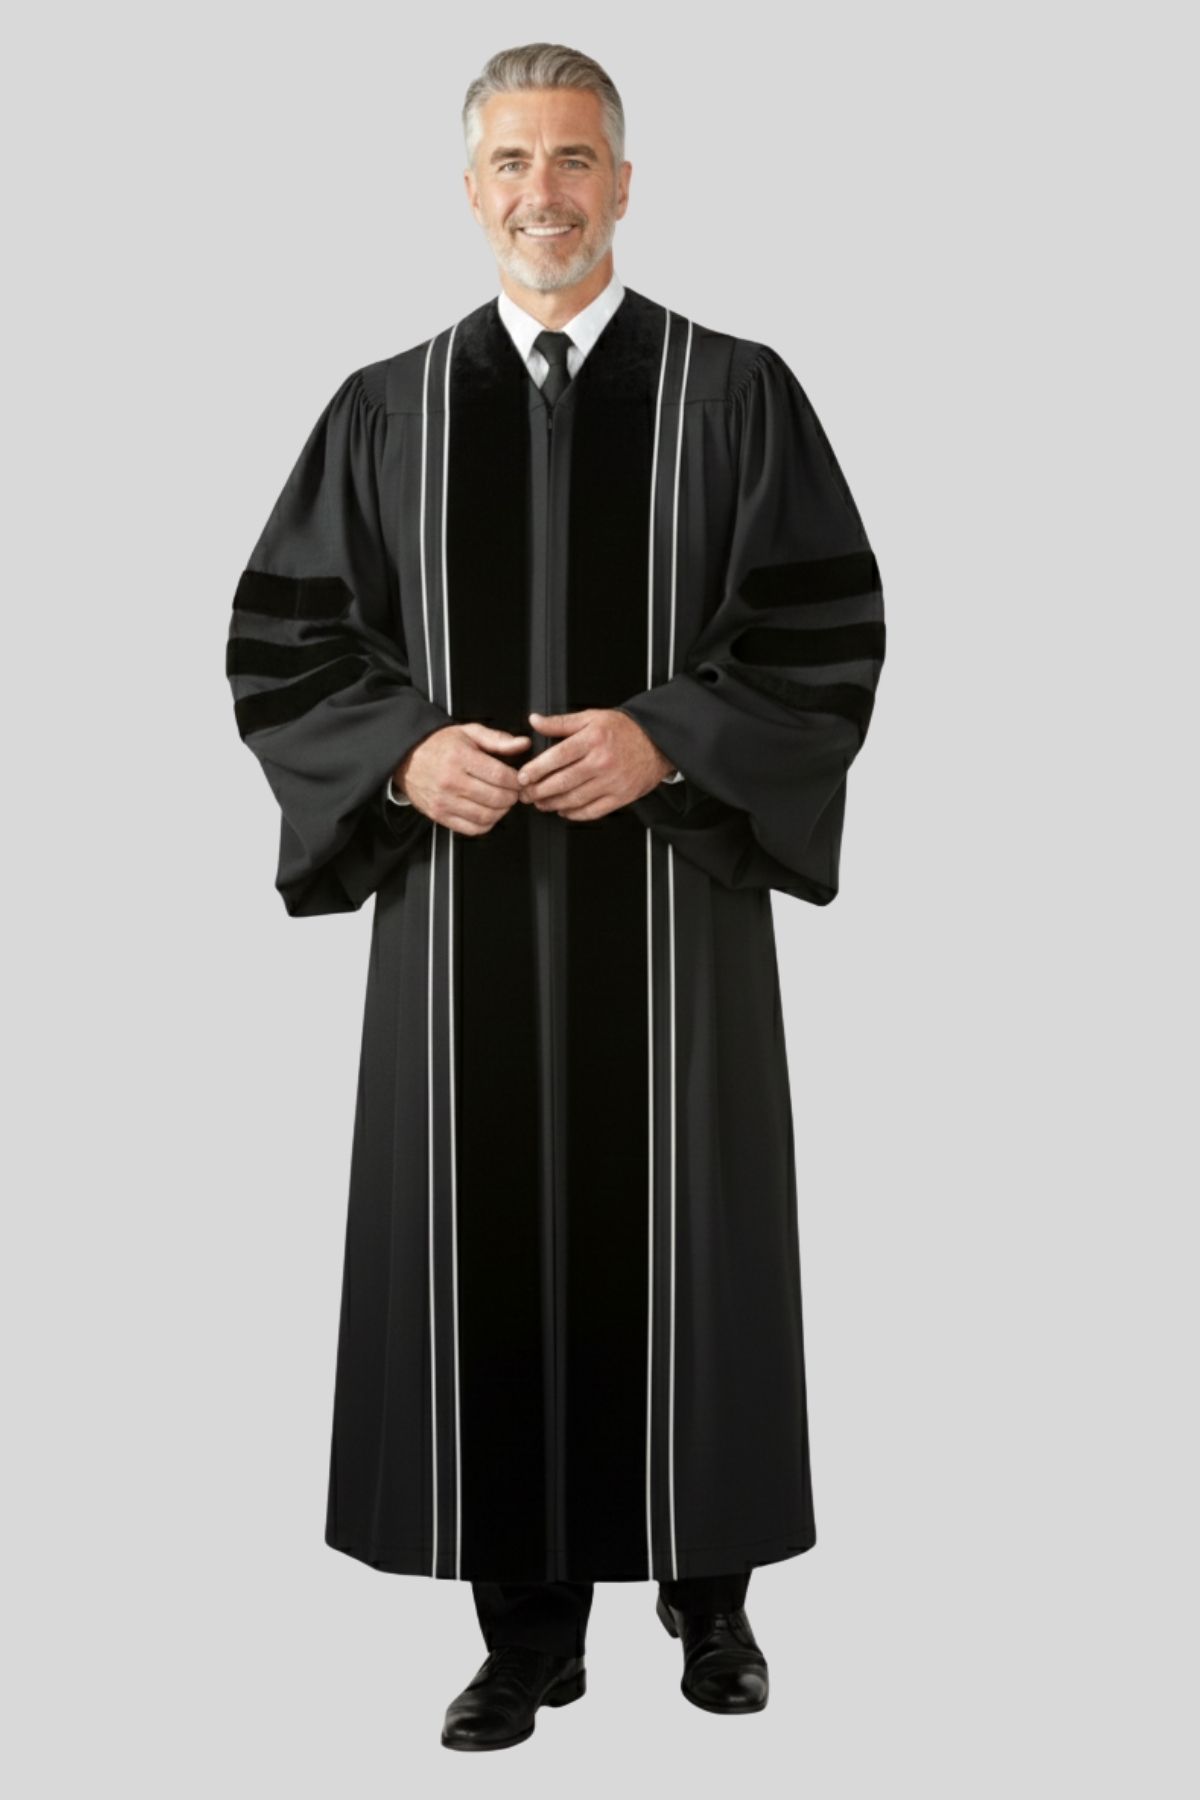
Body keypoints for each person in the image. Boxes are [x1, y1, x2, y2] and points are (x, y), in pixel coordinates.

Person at [225, 41, 886, 1753]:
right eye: (514, 162)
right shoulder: (385, 410)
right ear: (471, 189)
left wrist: (671, 740)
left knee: (696, 1235)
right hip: (465, 924)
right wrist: (399, 758)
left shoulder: (736, 393)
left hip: (674, 917)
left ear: (625, 182)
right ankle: (526, 1639)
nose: (546, 193)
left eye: (576, 159)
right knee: (485, 1242)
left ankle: (712, 1601)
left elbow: (824, 630)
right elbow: (289, 640)